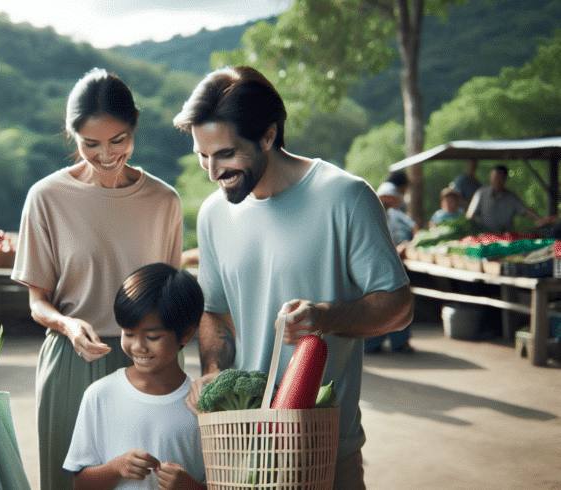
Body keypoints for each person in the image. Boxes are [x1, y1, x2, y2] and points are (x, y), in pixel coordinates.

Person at [173, 66, 413, 490]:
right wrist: (214, 370)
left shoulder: (345, 197)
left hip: (325, 451)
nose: (212, 171)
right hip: (241, 448)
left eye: (225, 154)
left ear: (268, 135)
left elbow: (399, 307)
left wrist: (325, 316)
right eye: (202, 155)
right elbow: (215, 311)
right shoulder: (213, 213)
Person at [11, 68, 183, 490]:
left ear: (134, 127)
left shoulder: (164, 201)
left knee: (143, 482)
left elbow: (170, 302)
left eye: (118, 140)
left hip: (145, 359)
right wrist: (68, 325)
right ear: (73, 136)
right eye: (90, 144)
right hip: (73, 360)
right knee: (69, 483)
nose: (106, 154)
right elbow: (38, 302)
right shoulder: (46, 198)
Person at [63, 263, 206, 490]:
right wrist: (115, 468)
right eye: (128, 333)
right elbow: (80, 484)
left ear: (186, 334)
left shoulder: (201, 407)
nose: (138, 346)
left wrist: (191, 487)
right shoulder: (100, 395)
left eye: (152, 337)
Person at [365, 182, 417, 354]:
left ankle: (399, 342)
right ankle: (372, 343)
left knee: (399, 302)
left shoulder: (394, 215)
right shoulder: (370, 213)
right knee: (379, 304)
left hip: (393, 266)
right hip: (375, 268)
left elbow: (413, 227)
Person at [466, 164, 553, 232]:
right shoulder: (481, 193)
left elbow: (526, 210)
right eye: (492, 177)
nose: (494, 180)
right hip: (483, 237)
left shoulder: (512, 198)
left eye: (497, 178)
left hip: (506, 238)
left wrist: (542, 220)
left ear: (504, 179)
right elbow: (470, 215)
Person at [377, 181, 418, 256]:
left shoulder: (394, 212)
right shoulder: (375, 216)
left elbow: (414, 226)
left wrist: (412, 243)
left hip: (403, 249)